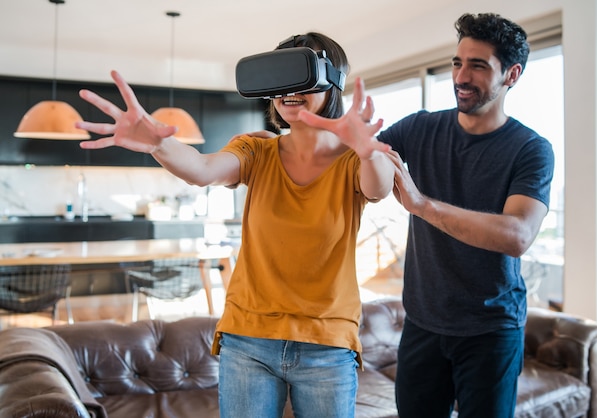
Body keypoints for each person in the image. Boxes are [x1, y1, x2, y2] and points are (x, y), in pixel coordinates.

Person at [75, 33, 394, 418]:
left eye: (300, 76)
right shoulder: (256, 151)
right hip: (248, 339)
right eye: (280, 80)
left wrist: (366, 148)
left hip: (326, 342)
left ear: (332, 80)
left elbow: (378, 188)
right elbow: (202, 169)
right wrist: (159, 145)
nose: (289, 91)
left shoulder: (358, 160)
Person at [379, 13, 555, 418]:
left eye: (478, 65)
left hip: (491, 330)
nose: (461, 76)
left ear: (511, 74)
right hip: (422, 322)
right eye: (458, 63)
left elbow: (517, 234)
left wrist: (423, 205)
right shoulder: (419, 129)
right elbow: (356, 163)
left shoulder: (531, 149)